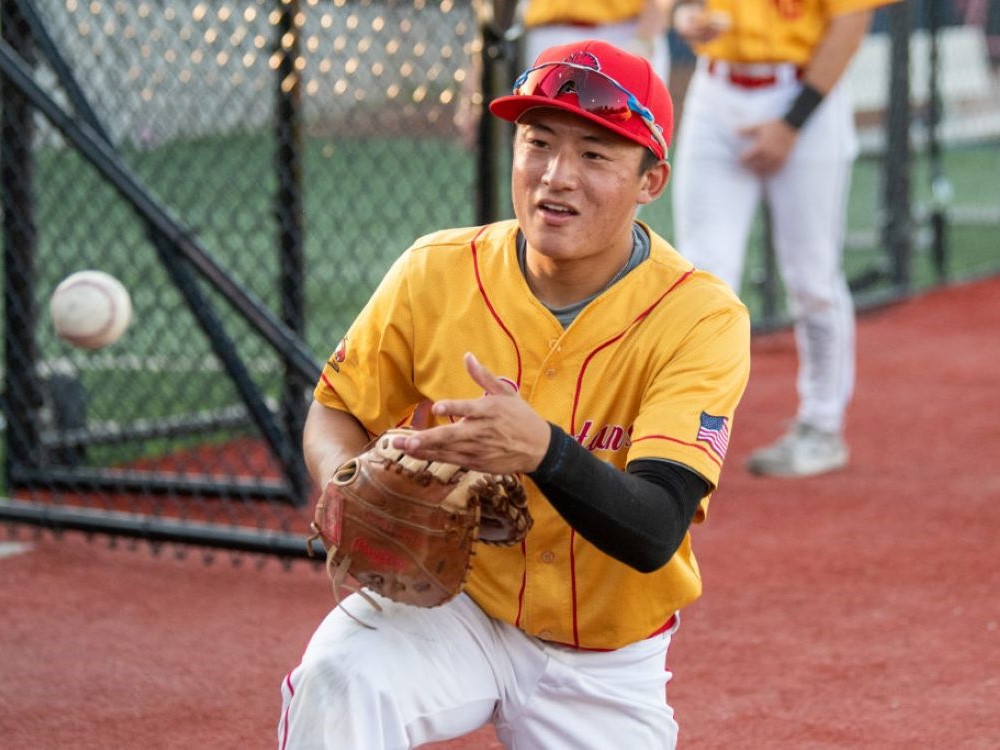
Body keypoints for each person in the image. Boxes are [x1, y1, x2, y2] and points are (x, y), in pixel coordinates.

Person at [278, 39, 750, 749]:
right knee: (344, 677)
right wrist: (344, 481)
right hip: (452, 604)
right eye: (538, 143)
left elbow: (656, 530)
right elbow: (336, 408)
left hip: (604, 657)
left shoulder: (699, 317)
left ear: (651, 180)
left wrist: (544, 453)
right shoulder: (435, 270)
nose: (556, 177)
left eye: (595, 154)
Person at [669, 0, 900, 477]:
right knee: (702, 276)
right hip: (715, 90)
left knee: (811, 277)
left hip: (803, 93)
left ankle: (822, 425)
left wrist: (790, 124)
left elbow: (850, 24)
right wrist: (686, 19)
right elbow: (684, 7)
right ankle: (684, 428)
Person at [519, 0, 672, 83]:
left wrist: (644, 38)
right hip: (551, 31)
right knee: (547, 119)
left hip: (623, 30)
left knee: (629, 127)